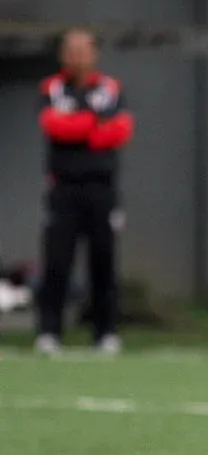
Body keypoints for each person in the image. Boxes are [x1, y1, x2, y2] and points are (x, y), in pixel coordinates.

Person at [34, 28, 135, 355]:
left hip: (101, 189)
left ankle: (105, 332)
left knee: (103, 260)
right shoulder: (52, 88)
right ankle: (49, 332)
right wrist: (92, 123)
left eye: (83, 50)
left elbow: (119, 131)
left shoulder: (110, 88)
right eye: (71, 50)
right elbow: (54, 125)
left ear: (94, 54)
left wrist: (79, 124)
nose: (76, 57)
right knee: (57, 260)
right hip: (63, 189)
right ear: (62, 55)